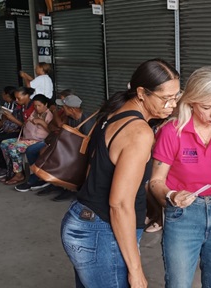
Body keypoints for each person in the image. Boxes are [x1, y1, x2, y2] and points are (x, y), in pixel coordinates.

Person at [61, 58, 180, 288]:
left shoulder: (114, 111)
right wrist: (136, 271)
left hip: (84, 221)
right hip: (101, 231)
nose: (173, 104)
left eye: (176, 96)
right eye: (166, 98)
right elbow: (119, 205)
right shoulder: (139, 132)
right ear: (142, 93)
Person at [148, 66, 211, 288]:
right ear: (191, 102)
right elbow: (156, 181)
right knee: (178, 283)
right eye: (206, 107)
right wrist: (172, 195)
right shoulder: (172, 132)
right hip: (182, 215)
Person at [24, 94, 96, 202]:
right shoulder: (71, 118)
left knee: (64, 158)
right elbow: (57, 127)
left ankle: (71, 190)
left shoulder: (87, 121)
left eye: (64, 107)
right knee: (48, 152)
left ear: (71, 109)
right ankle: (55, 183)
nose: (62, 109)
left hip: (84, 153)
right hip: (73, 148)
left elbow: (88, 144)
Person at [0, 94, 52, 185]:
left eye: (39, 105)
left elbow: (52, 131)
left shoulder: (49, 115)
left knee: (13, 148)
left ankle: (19, 174)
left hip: (38, 141)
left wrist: (42, 123)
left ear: (46, 104)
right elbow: (26, 124)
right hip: (27, 139)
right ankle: (11, 170)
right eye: (35, 105)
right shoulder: (34, 113)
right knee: (4, 143)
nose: (36, 108)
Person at [0, 87, 36, 180]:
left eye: (18, 98)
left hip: (29, 134)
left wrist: (12, 118)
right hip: (23, 132)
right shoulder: (21, 106)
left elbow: (26, 125)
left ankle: (18, 174)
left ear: (27, 96)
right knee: (0, 142)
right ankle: (9, 169)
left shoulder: (33, 107)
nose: (16, 100)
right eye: (15, 98)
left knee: (7, 144)